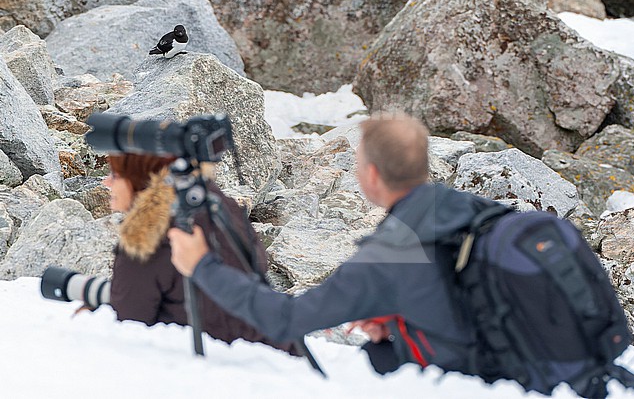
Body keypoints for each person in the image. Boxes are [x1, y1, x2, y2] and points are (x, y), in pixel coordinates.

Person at [169, 114, 504, 374]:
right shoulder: (472, 210)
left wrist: (203, 266)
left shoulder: (389, 249)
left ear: (371, 175)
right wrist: (398, 320)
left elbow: (287, 319)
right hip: (528, 360)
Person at [103, 153, 294, 351]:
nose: (106, 182)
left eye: (115, 176)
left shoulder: (145, 238)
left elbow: (129, 323)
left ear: (138, 180)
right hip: (276, 346)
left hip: (225, 367)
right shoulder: (217, 203)